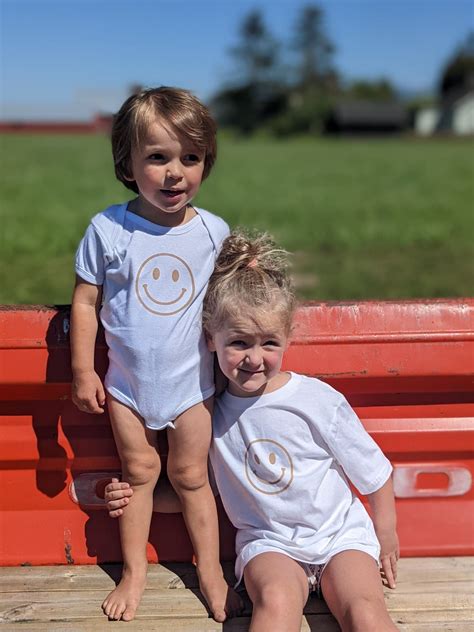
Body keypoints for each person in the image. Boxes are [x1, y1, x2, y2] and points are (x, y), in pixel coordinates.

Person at [105, 230, 400, 632]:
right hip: (270, 545)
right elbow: (198, 490)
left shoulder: (316, 400)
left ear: (288, 338)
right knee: (276, 603)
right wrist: (138, 497)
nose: (254, 359)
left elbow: (375, 473)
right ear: (211, 338)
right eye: (240, 343)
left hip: (340, 537)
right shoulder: (208, 416)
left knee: (364, 612)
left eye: (269, 343)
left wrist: (386, 534)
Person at [70, 87, 242, 623]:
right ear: (128, 164)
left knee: (191, 476)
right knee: (140, 472)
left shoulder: (213, 231)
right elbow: (86, 303)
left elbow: (229, 300)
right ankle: (134, 572)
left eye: (190, 158)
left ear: (206, 162)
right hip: (127, 386)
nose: (175, 173)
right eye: (158, 157)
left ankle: (210, 571)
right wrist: (82, 370)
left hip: (192, 385)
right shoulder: (109, 229)